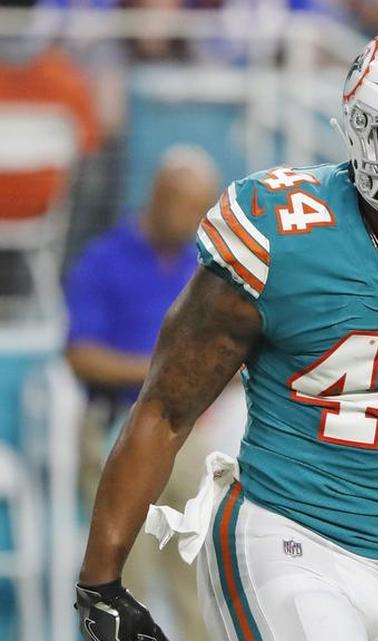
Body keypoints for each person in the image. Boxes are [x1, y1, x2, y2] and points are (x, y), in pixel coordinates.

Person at [74, 19, 378, 641]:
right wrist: (101, 583)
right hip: (280, 537)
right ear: (363, 137)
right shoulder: (284, 236)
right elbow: (166, 409)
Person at [65, 144, 222, 641]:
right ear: (158, 195)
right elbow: (80, 354)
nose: (197, 219)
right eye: (188, 205)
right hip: (115, 422)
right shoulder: (104, 259)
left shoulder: (203, 266)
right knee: (123, 578)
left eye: (204, 207)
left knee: (203, 571)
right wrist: (162, 374)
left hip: (189, 431)